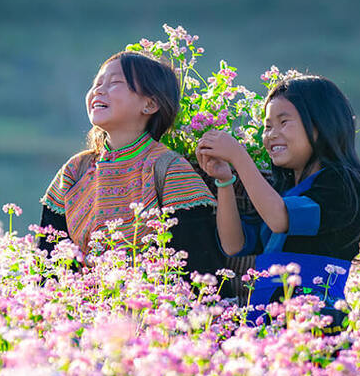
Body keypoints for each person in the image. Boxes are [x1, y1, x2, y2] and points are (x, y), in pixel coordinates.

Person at [195, 75, 360, 328]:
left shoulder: (342, 183)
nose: (271, 135)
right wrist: (225, 181)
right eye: (268, 126)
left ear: (320, 125)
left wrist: (239, 156)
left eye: (283, 122)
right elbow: (234, 244)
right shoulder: (282, 192)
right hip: (266, 314)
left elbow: (280, 219)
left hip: (315, 318)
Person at [39, 51, 224, 278]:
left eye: (115, 83)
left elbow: (197, 269)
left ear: (150, 104)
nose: (98, 90)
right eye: (97, 83)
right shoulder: (75, 170)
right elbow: (47, 265)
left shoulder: (171, 170)